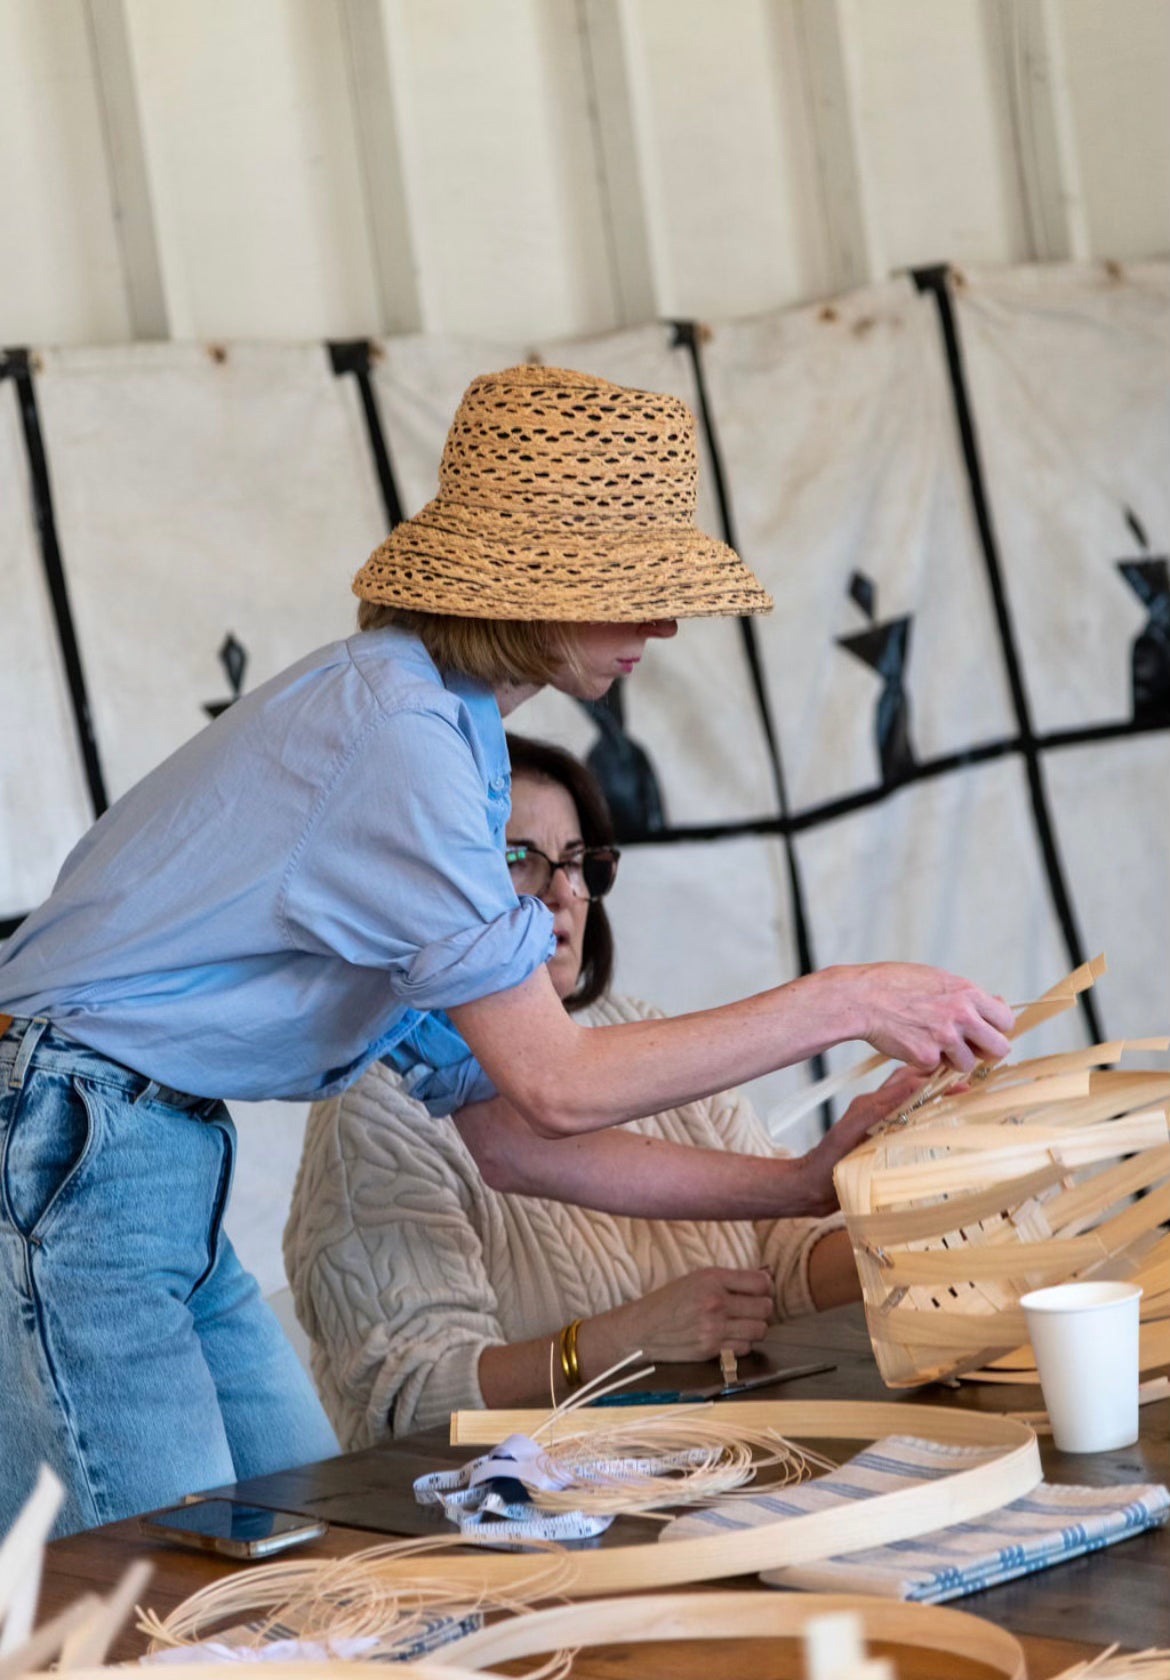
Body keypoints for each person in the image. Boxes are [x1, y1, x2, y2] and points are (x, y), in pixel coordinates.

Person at [0, 364, 1012, 1536]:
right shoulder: (402, 731)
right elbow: (560, 1081)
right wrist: (848, 995)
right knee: (151, 1581)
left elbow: (513, 1134)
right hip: (79, 1130)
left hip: (142, 1138)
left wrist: (791, 1187)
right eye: (632, 589)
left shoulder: (450, 734)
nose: (664, 626)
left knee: (297, 1544)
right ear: (533, 584)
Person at [286, 734, 896, 1446]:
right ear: (433, 884)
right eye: (519, 860)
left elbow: (782, 1264)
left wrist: (908, 1236)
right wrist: (612, 1342)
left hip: (710, 1464)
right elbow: (412, 1401)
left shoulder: (638, 1030)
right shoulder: (382, 1100)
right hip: (509, 1530)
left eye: (576, 863)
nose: (562, 895)